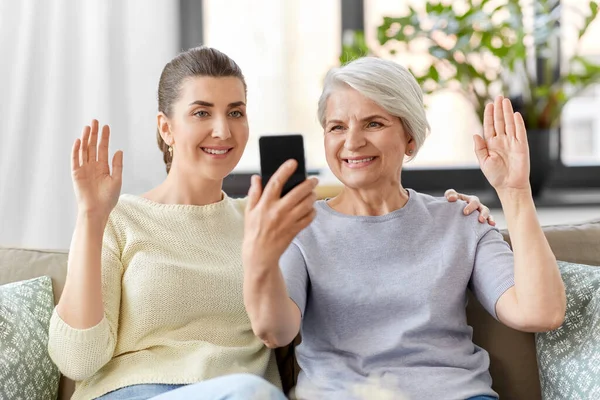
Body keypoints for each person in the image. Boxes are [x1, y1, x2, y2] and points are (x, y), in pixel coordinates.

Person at [48, 47, 490, 400]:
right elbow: (78, 359)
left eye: (236, 112)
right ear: (166, 128)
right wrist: (91, 217)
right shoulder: (119, 218)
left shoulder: (267, 218)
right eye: (201, 113)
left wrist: (454, 206)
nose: (222, 130)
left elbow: (363, 199)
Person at [242, 57, 567, 400]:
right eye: (337, 127)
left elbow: (540, 312)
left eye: (373, 123)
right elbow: (274, 331)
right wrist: (260, 257)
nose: (352, 142)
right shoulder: (303, 229)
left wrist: (515, 192)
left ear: (410, 138)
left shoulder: (460, 220)